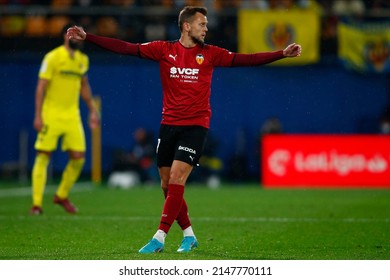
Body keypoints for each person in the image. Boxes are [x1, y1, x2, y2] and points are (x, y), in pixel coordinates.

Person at [67, 6, 301, 253]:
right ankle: (189, 236)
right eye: (202, 24)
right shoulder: (164, 50)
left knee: (178, 178)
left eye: (206, 24)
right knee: (167, 186)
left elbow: (247, 59)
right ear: (187, 26)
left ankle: (159, 237)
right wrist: (88, 37)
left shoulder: (211, 54)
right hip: (168, 126)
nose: (206, 28)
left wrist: (281, 54)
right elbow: (127, 47)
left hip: (195, 127)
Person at [30, 23, 99, 215]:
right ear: (65, 36)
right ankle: (36, 204)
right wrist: (38, 115)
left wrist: (92, 110)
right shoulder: (52, 58)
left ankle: (61, 195)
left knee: (78, 158)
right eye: (74, 35)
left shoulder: (82, 60)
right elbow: (40, 87)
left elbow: (84, 86)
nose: (78, 39)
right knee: (43, 156)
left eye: (80, 35)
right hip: (51, 115)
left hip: (72, 116)